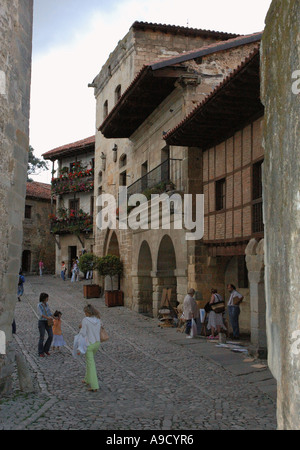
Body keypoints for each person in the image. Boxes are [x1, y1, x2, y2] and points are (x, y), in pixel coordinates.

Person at [78, 304, 102, 392]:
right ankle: (87, 379)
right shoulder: (98, 319)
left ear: (87, 312)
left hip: (89, 344)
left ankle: (95, 385)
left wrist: (80, 329)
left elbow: (83, 333)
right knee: (89, 362)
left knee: (91, 364)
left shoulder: (85, 320)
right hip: (97, 343)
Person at [37, 292, 53, 357]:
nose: (48, 299)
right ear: (44, 298)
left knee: (51, 335)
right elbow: (41, 314)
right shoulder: (39, 305)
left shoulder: (47, 304)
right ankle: (40, 352)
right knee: (42, 337)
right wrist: (47, 317)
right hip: (42, 322)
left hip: (47, 322)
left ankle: (46, 349)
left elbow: (49, 312)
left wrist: (54, 316)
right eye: (47, 298)